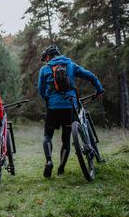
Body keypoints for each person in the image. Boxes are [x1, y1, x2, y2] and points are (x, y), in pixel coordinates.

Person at [38, 45, 104, 178]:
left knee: (47, 136)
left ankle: (49, 160)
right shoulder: (71, 65)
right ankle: (61, 168)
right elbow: (89, 75)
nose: (45, 61)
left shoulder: (45, 69)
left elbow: (41, 88)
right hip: (70, 106)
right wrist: (99, 88)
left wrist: (48, 99)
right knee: (66, 139)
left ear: (48, 57)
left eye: (45, 58)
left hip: (53, 107)